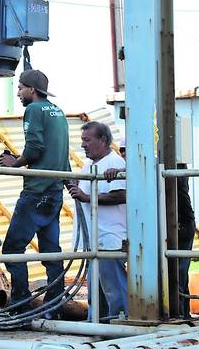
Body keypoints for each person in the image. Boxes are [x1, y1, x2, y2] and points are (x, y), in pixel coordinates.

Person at [0, 69, 70, 316]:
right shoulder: (58, 112)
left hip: (36, 191)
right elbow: (61, 152)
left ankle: (21, 304)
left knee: (13, 249)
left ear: (32, 90)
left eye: (20, 88)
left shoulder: (33, 110)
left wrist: (14, 163)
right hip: (54, 191)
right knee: (51, 251)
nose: (18, 93)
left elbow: (35, 147)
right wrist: (70, 184)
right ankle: (54, 304)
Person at [103, 139, 196, 317]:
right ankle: (176, 312)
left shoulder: (155, 166)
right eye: (121, 151)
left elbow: (147, 168)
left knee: (178, 271)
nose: (123, 154)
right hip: (166, 224)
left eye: (126, 150)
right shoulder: (146, 168)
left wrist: (119, 170)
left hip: (181, 223)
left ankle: (182, 314)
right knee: (171, 269)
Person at [67, 121, 127, 319]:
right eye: (82, 140)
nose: (83, 144)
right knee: (97, 289)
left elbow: (120, 195)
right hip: (94, 239)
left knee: (114, 288)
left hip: (108, 237)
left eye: (87, 140)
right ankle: (98, 323)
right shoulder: (88, 165)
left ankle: (121, 321)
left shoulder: (115, 163)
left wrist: (87, 197)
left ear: (102, 140)